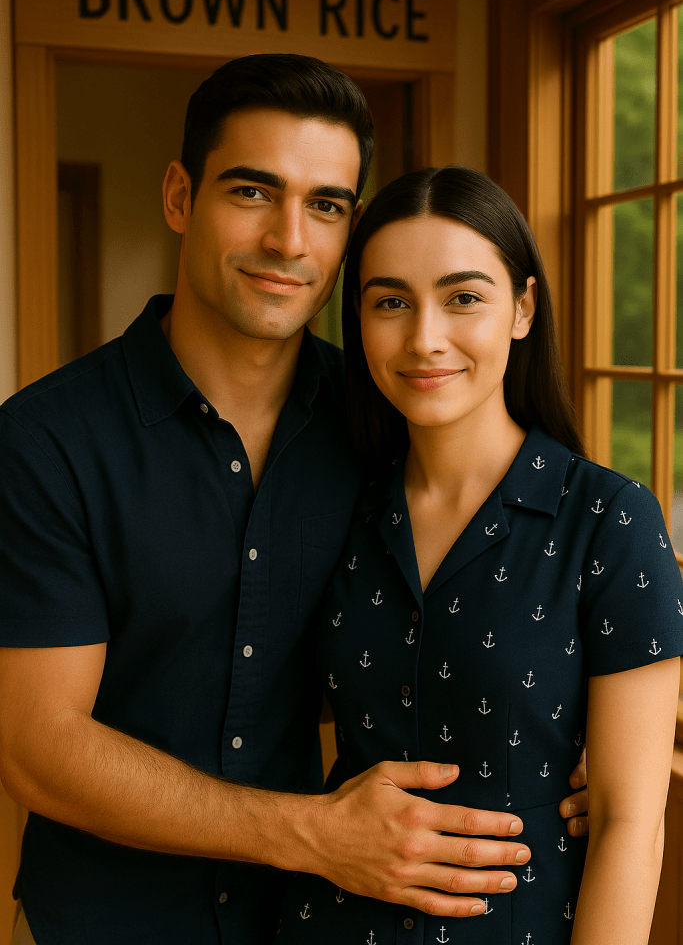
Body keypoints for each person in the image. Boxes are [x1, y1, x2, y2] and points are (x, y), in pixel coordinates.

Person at [0, 58, 586, 945]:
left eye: (326, 205)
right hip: (110, 921)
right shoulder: (45, 442)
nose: (289, 239)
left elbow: (427, 638)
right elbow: (37, 749)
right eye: (252, 192)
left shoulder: (388, 422)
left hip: (325, 925)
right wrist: (312, 835)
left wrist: (545, 739)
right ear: (177, 195)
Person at [274, 165, 683, 945]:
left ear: (522, 308)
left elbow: (632, 821)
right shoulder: (339, 507)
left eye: (463, 297)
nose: (424, 337)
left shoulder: (607, 519)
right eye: (390, 302)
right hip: (329, 922)